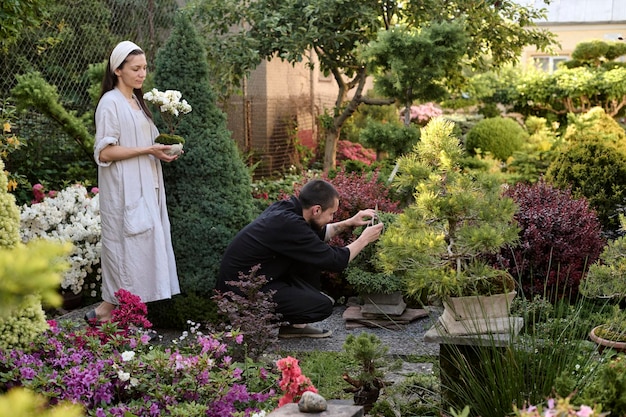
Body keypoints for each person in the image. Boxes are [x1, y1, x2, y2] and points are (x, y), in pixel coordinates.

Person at [85, 40, 180, 324]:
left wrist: (162, 150)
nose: (142, 74)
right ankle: (118, 314)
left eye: (144, 68)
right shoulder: (110, 103)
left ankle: (115, 312)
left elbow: (146, 142)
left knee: (144, 248)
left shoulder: (137, 103)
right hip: (123, 191)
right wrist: (148, 150)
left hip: (146, 188)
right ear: (117, 70)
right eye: (135, 69)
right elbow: (104, 151)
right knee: (126, 249)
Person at [217, 179, 385, 338]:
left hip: (254, 281)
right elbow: (336, 260)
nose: (332, 219)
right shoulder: (289, 224)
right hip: (242, 294)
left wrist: (349, 222)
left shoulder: (288, 209)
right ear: (316, 209)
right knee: (322, 306)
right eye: (331, 214)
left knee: (311, 259)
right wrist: (364, 239)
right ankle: (263, 322)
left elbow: (317, 235)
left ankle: (293, 325)